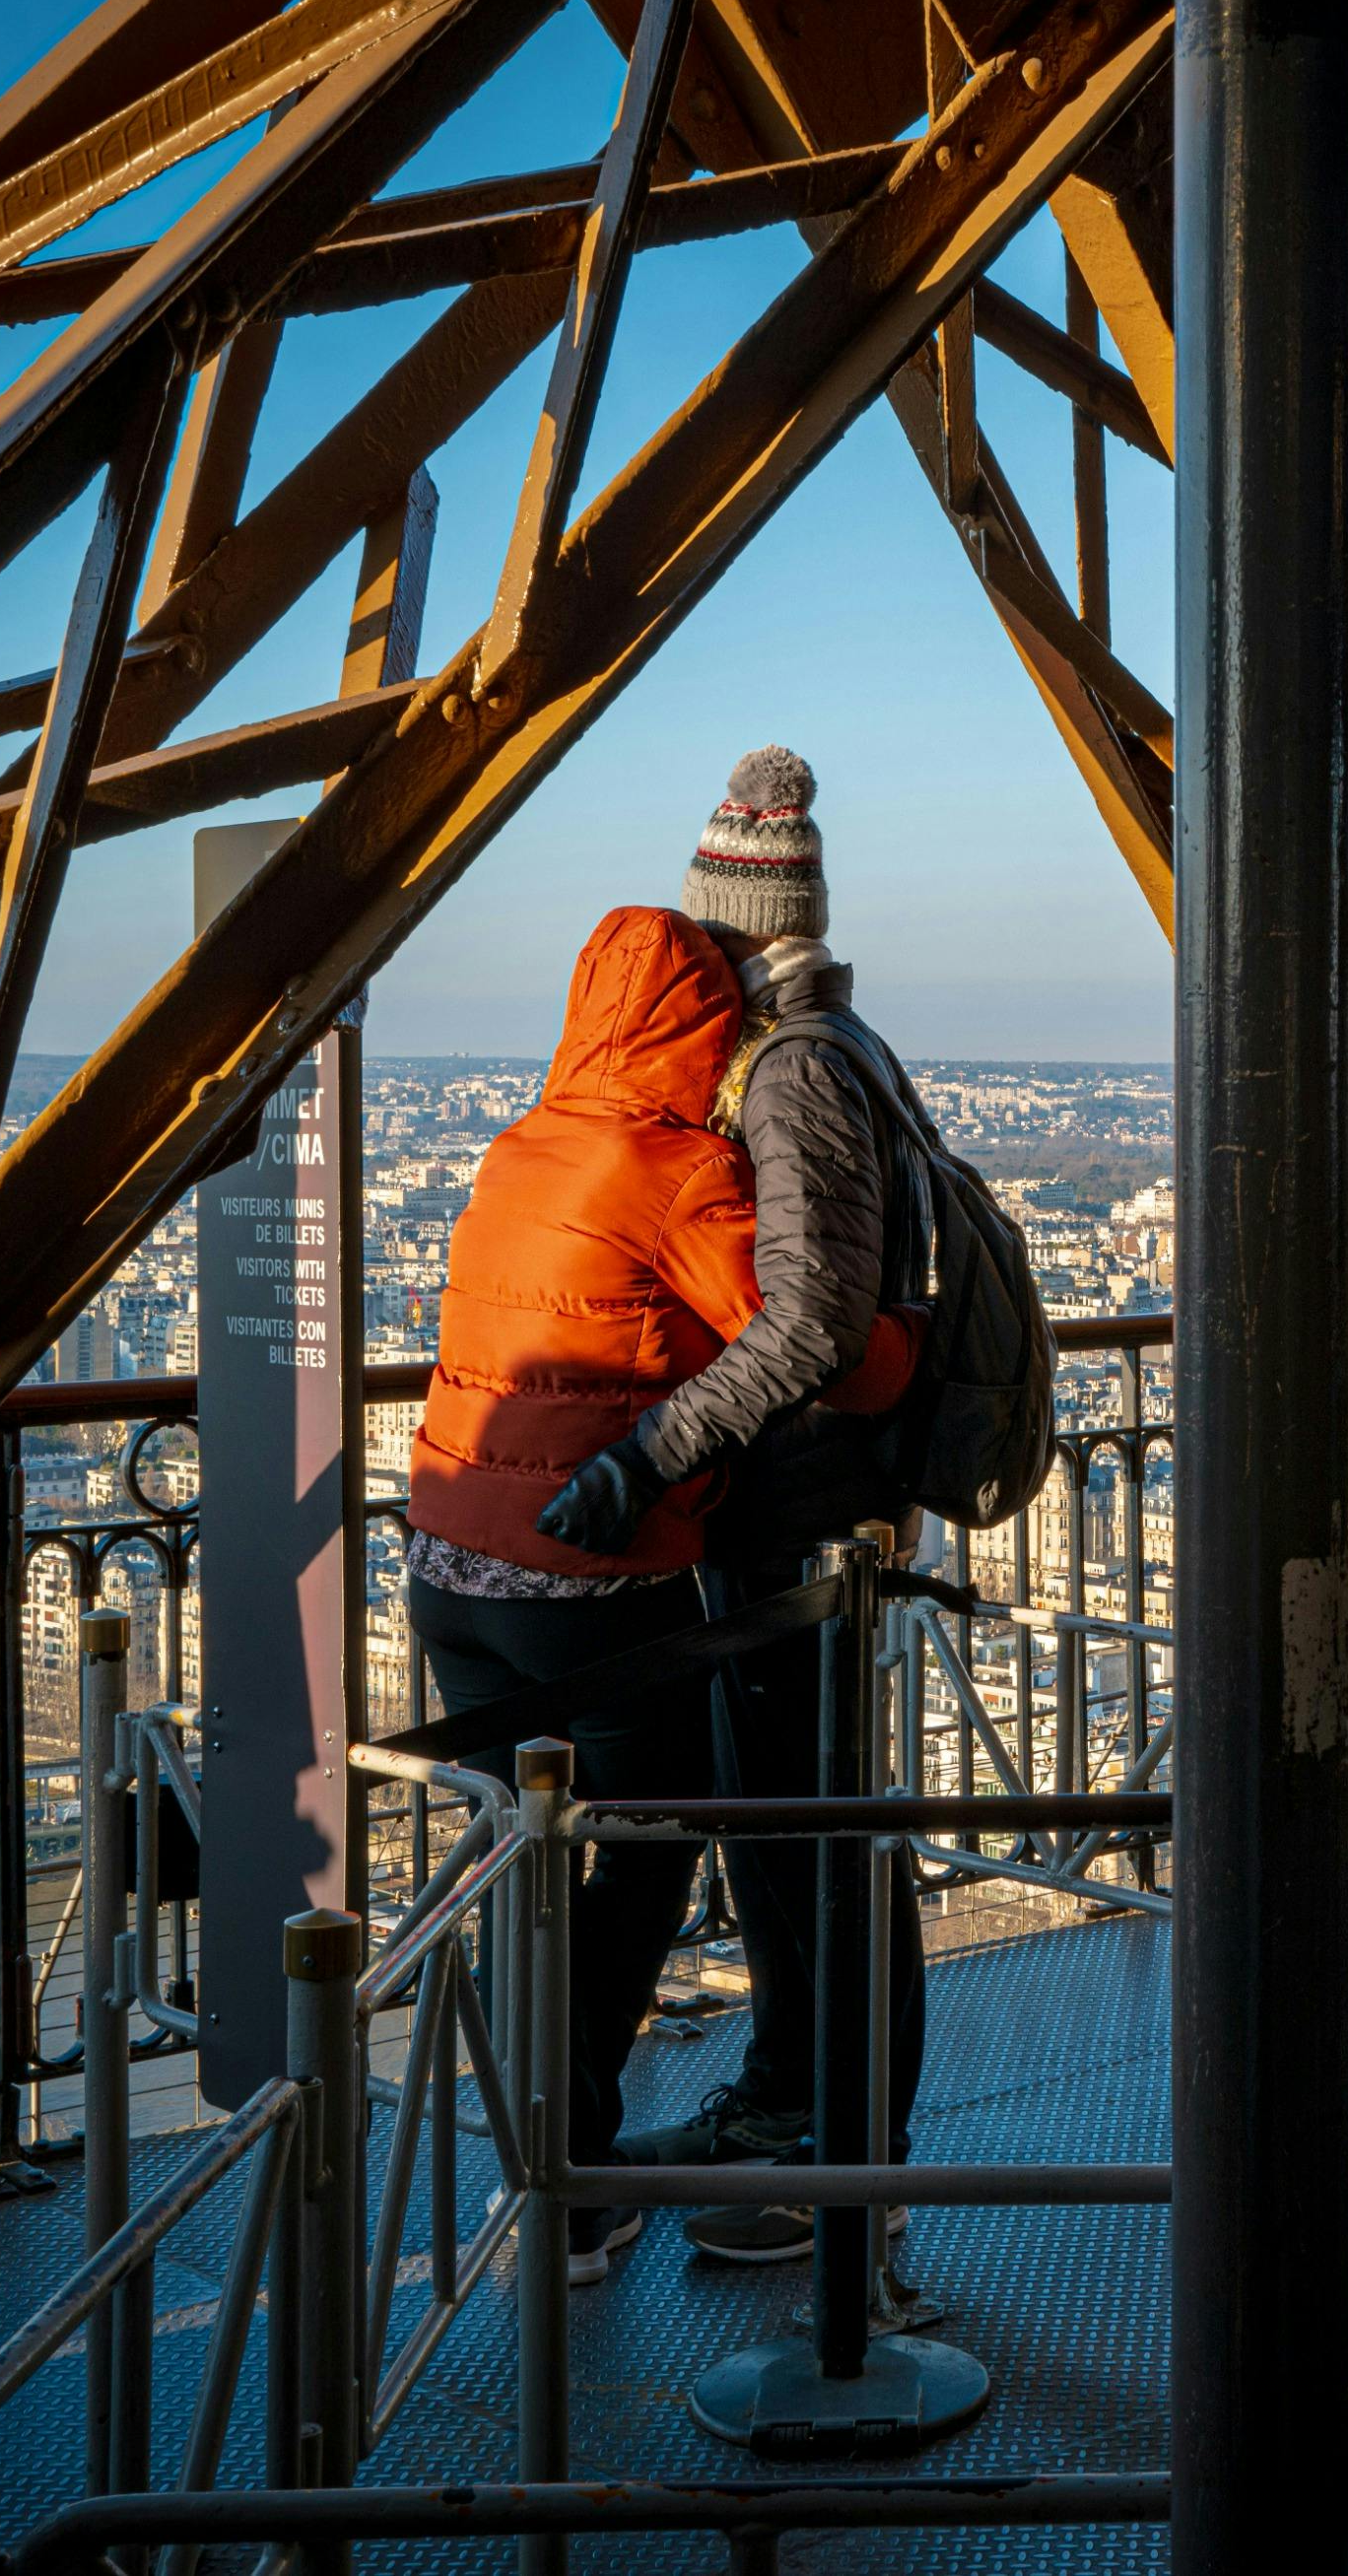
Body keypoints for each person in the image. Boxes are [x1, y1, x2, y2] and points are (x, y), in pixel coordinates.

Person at [537, 745, 934, 2268]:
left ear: (731, 935)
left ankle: (819, 2153)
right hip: (821, 1508)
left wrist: (651, 1451)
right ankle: (808, 2120)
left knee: (804, 1836)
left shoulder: (793, 1070)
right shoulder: (843, 1048)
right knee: (810, 1831)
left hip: (800, 1516)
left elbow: (814, 1317)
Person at [401, 903, 764, 2284]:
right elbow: (795, 1337)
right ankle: (570, 2165)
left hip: (450, 1563)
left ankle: (542, 2168)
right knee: (656, 1831)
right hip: (586, 1576)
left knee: (523, 1862)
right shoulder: (680, 1169)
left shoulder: (517, 1145)